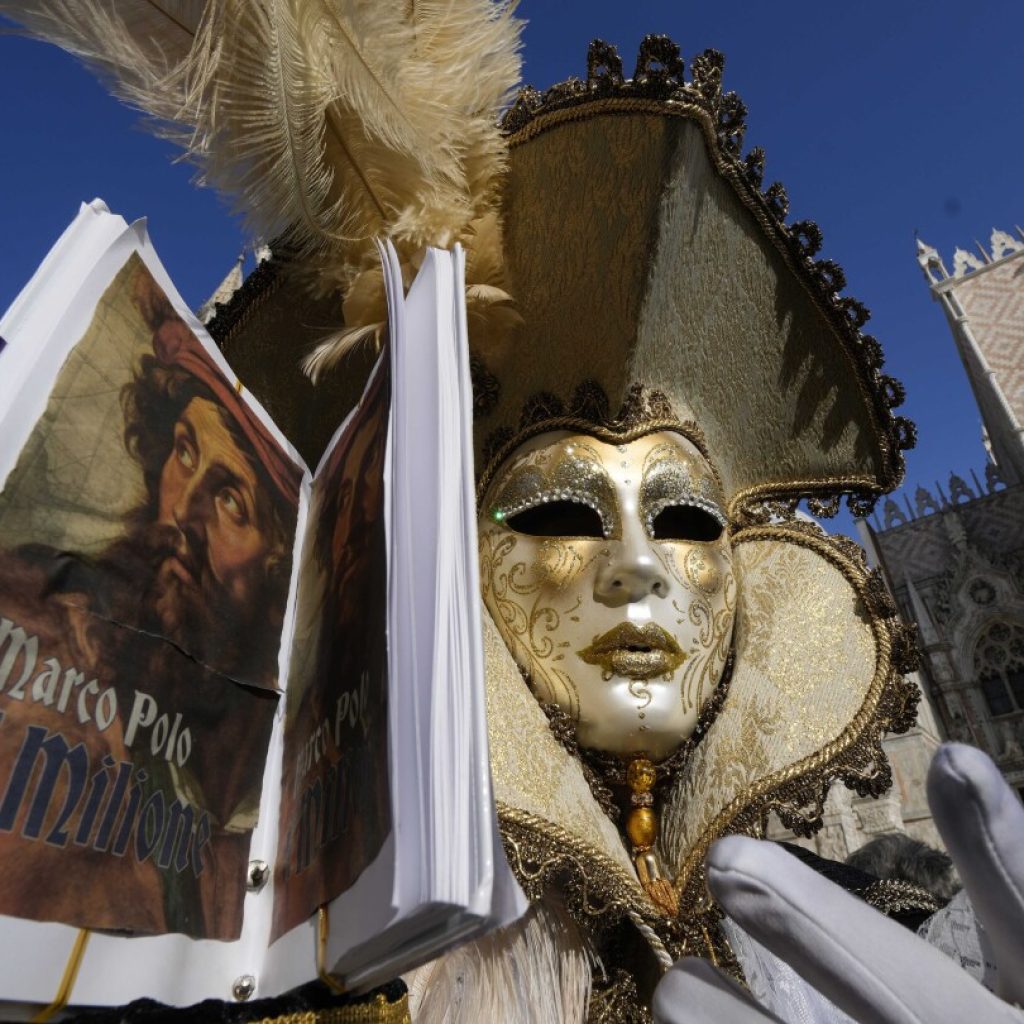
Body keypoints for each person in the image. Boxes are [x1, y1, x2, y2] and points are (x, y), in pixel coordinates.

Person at [0, 263, 299, 939]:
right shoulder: (47, 620)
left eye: (230, 500)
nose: (183, 511)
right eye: (184, 451)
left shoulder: (268, 793)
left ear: (282, 571)